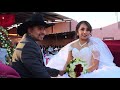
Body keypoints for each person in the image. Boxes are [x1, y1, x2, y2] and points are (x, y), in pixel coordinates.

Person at [47, 20, 120, 78]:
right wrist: (65, 71)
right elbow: (68, 62)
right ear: (77, 32)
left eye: (88, 30)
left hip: (89, 73)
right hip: (74, 74)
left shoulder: (94, 46)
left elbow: (95, 65)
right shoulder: (71, 46)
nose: (85, 32)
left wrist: (81, 72)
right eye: (82, 29)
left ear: (90, 32)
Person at [11, 13, 65, 78]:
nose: (44, 32)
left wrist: (58, 72)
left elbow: (40, 68)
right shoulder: (28, 46)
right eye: (40, 29)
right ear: (30, 30)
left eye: (44, 29)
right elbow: (40, 73)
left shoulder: (28, 42)